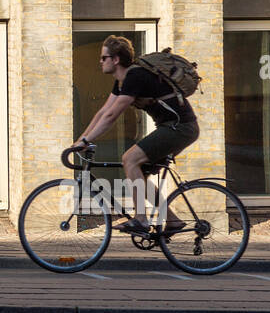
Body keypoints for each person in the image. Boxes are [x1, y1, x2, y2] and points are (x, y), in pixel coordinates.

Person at [72, 35, 199, 236]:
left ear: (116, 60)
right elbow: (103, 112)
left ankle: (141, 219)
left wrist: (87, 141)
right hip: (171, 127)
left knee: (129, 159)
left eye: (103, 57)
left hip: (180, 128)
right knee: (140, 174)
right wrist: (81, 140)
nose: (100, 61)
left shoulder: (135, 76)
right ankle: (173, 221)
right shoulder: (122, 81)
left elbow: (113, 116)